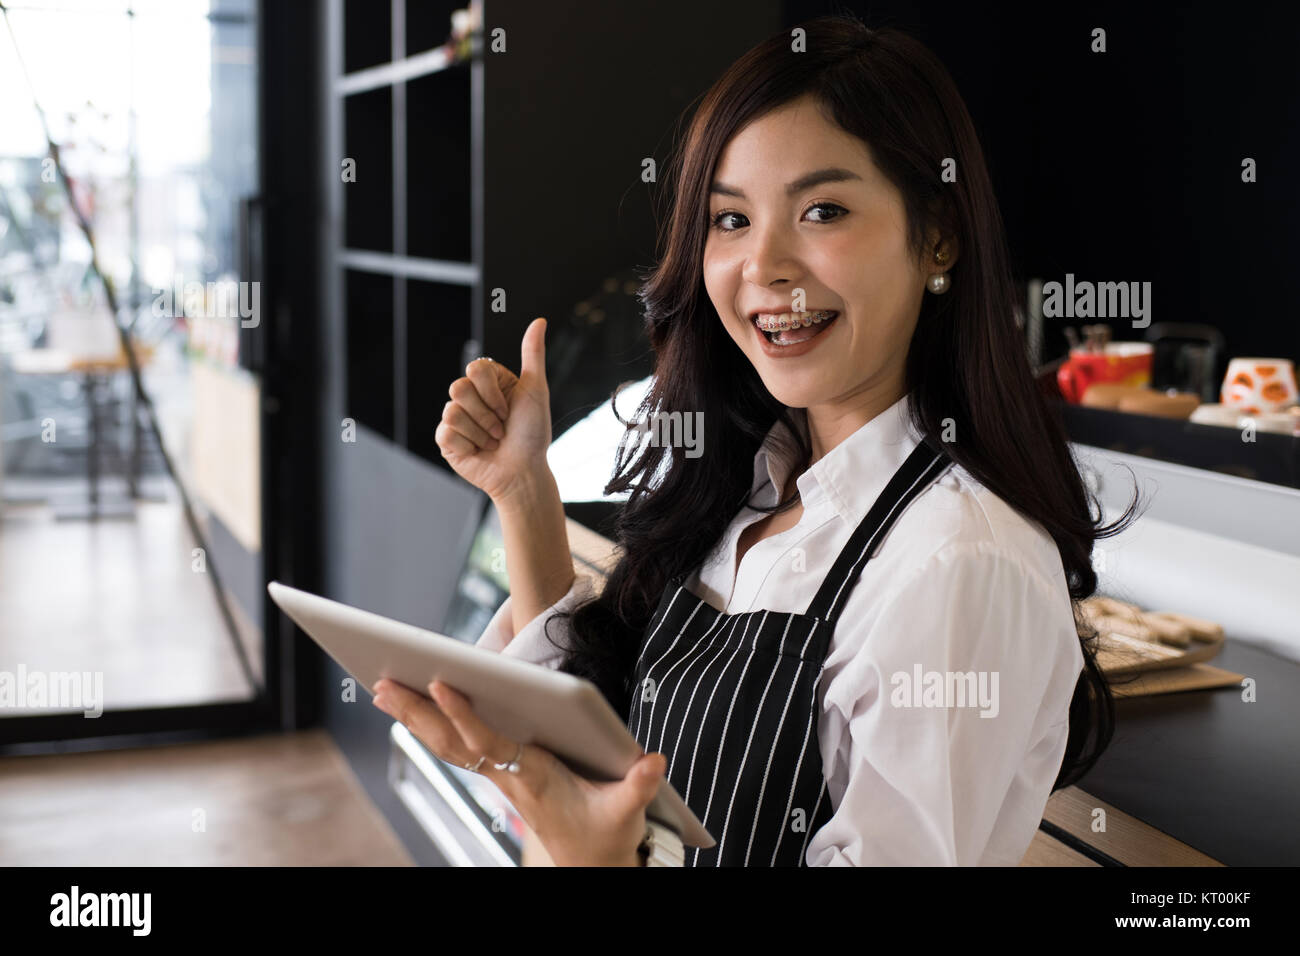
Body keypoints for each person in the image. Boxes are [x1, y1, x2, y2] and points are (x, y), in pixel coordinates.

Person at [371, 14, 1138, 867]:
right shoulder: (752, 480)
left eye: (822, 209)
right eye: (729, 220)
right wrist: (523, 492)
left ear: (939, 237)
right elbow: (618, 747)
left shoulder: (957, 562)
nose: (764, 265)